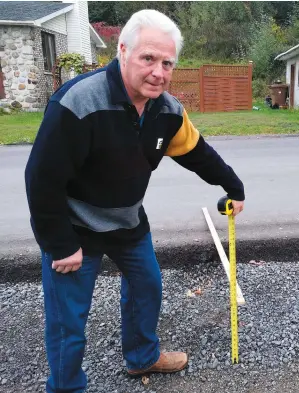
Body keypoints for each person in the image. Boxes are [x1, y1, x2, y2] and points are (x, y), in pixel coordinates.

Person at [25, 9, 245, 393]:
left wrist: (234, 187)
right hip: (76, 229)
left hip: (128, 224)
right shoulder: (78, 102)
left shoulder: (167, 110)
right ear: (122, 50)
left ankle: (142, 357)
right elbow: (41, 179)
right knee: (68, 322)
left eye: (167, 63)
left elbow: (198, 154)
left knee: (148, 287)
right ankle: (66, 386)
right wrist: (60, 244)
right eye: (148, 59)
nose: (158, 72)